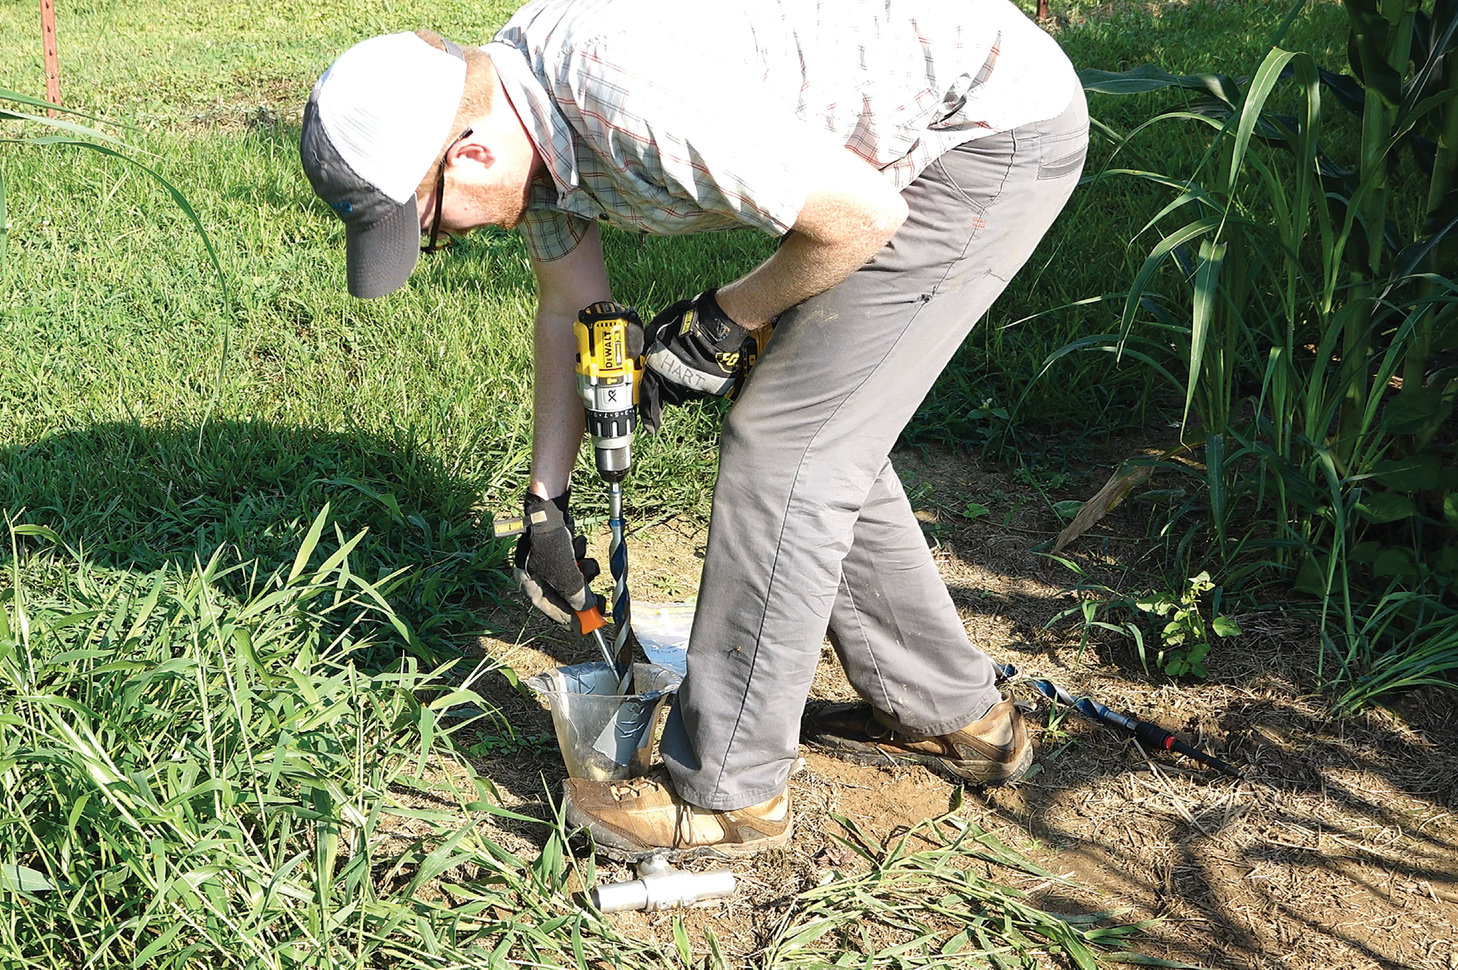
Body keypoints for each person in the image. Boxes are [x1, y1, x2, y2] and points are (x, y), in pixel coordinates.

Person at [300, 0, 1087, 860]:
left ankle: (728, 793)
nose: (452, 237)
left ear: (471, 150)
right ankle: (950, 711)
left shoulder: (620, 97)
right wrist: (546, 500)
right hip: (890, 157)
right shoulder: (519, 114)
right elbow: (573, 303)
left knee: (786, 449)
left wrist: (720, 322)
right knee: (818, 435)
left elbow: (858, 218)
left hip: (979, 131)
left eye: (436, 227)